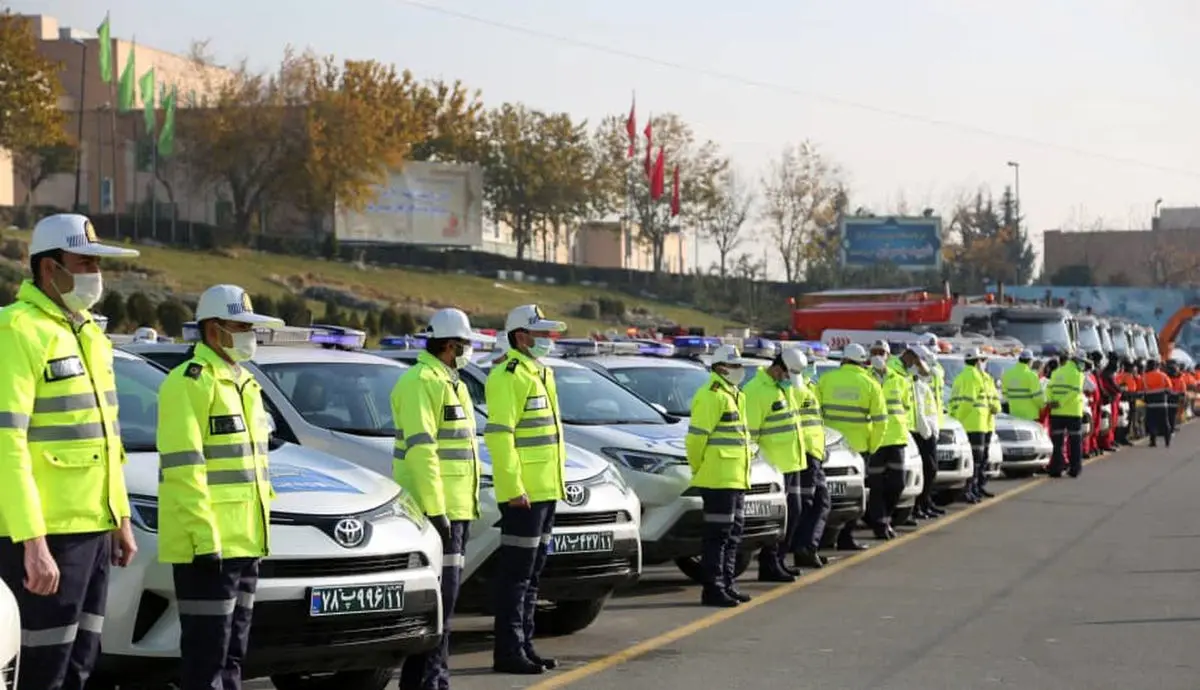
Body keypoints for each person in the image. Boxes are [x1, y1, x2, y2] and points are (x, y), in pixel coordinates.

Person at [0, 213, 140, 690]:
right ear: (48, 269)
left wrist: (118, 518)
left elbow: (108, 439)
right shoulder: (16, 330)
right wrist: (33, 544)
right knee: (40, 673)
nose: (94, 276)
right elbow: (7, 443)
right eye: (84, 263)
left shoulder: (90, 336)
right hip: (46, 540)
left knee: (81, 665)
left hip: (93, 535)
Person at [157, 285, 283, 690]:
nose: (250, 335)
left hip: (246, 543)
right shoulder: (190, 382)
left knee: (233, 652)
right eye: (241, 326)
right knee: (206, 656)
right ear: (214, 330)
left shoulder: (244, 383)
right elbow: (184, 468)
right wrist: (204, 538)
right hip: (209, 547)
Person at [393, 308, 483, 690]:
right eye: (464, 344)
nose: (468, 352)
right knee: (438, 603)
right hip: (437, 510)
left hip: (456, 507)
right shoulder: (420, 382)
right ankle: (430, 682)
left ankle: (429, 680)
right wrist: (436, 510)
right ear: (449, 345)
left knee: (446, 602)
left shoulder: (452, 382)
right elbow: (422, 451)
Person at [484, 305, 567, 674]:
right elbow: (500, 437)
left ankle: (525, 645)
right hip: (523, 496)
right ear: (521, 336)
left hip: (545, 490)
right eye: (541, 335)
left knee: (533, 574)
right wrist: (513, 487)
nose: (548, 341)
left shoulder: (541, 373)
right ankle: (508, 651)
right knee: (516, 577)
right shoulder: (508, 375)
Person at [686, 345, 754, 606]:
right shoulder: (712, 395)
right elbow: (696, 440)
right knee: (718, 535)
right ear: (722, 368)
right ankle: (712, 588)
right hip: (718, 477)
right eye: (736, 366)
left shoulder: (735, 394)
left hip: (735, 477)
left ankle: (727, 583)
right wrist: (699, 468)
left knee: (733, 533)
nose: (740, 370)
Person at [744, 350, 806, 583]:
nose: (789, 380)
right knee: (780, 517)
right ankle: (769, 564)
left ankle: (778, 559)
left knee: (794, 513)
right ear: (778, 368)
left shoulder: (784, 388)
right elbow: (751, 435)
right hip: (772, 467)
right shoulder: (755, 391)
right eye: (787, 375)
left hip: (792, 462)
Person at [817, 344, 885, 547]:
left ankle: (822, 538)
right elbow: (881, 420)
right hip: (858, 449)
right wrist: (873, 446)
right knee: (854, 496)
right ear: (862, 362)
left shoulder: (826, 379)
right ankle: (846, 537)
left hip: (829, 447)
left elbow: (815, 414)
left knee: (825, 495)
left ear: (844, 360)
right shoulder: (870, 383)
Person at [789, 350, 832, 568]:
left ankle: (806, 547)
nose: (813, 367)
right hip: (804, 454)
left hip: (814, 453)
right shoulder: (795, 389)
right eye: (810, 363)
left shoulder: (809, 387)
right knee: (811, 504)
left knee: (818, 502)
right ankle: (804, 548)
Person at [949, 349, 992, 503]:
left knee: (972, 459)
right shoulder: (975, 377)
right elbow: (968, 401)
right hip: (975, 423)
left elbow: (955, 401)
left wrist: (956, 419)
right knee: (976, 460)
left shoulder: (960, 377)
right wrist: (959, 420)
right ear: (977, 360)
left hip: (966, 423)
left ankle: (971, 489)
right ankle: (968, 490)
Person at [910, 347, 941, 520]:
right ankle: (919, 506)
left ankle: (924, 504)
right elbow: (919, 412)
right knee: (928, 470)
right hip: (922, 434)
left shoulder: (924, 384)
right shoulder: (917, 386)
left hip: (929, 432)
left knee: (931, 471)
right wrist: (927, 433)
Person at [1047, 353, 1087, 476]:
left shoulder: (1056, 372)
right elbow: (1074, 392)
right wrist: (1061, 402)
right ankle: (1075, 469)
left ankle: (1056, 469)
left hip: (1057, 413)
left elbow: (1049, 389)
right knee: (1075, 442)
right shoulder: (1078, 374)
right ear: (1076, 361)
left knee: (1057, 443)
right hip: (1073, 413)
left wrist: (1051, 402)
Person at [1002, 351, 1046, 422]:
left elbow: (1005, 396)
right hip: (1030, 416)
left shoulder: (1007, 374)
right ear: (1030, 361)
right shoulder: (1031, 376)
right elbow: (1037, 397)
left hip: (1014, 414)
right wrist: (1043, 405)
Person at [1140, 360, 1172, 448]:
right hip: (1162, 404)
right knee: (1165, 422)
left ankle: (1153, 442)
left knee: (1152, 423)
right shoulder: (1163, 375)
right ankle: (1167, 441)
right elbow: (1169, 389)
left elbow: (1142, 391)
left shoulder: (1145, 377)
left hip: (1150, 405)